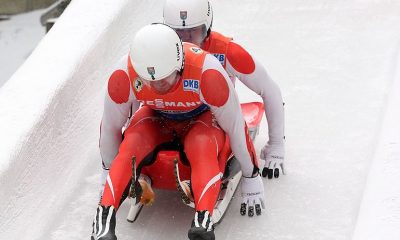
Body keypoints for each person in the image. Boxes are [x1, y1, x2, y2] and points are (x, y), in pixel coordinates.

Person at [93, 24, 265, 240]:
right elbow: (110, 128)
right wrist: (106, 175)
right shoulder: (122, 76)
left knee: (202, 144)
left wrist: (251, 175)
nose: (158, 86)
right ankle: (104, 220)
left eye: (165, 78)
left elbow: (236, 127)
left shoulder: (208, 73)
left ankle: (202, 222)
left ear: (180, 65)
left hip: (201, 120)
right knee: (133, 140)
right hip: (156, 118)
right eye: (150, 81)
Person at [163, 0, 286, 179]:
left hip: (212, 119)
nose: (186, 39)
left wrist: (276, 144)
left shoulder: (227, 51)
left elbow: (269, 89)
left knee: (207, 140)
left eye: (193, 31)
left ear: (207, 28)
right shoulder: (155, 51)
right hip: (167, 115)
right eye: (178, 32)